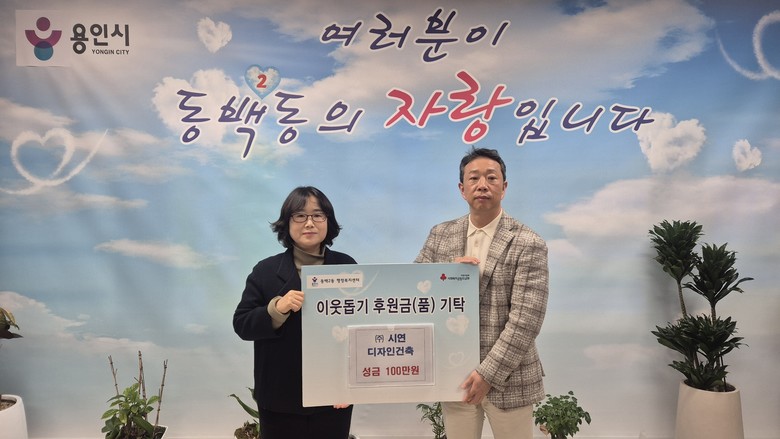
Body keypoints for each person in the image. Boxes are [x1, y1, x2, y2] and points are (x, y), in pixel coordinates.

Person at [415, 147, 549, 439]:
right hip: (455, 374)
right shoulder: (440, 234)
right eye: (474, 178)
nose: (483, 185)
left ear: (504, 187)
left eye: (491, 177)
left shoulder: (529, 242)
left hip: (510, 378)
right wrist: (446, 275)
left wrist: (488, 373)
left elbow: (527, 319)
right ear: (462, 189)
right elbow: (416, 292)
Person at [233, 186, 355, 439]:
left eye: (318, 215)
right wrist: (276, 309)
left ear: (328, 222)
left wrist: (349, 385)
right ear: (287, 223)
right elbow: (242, 324)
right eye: (300, 216)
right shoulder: (265, 271)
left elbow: (362, 328)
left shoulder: (347, 266)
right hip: (279, 398)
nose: (309, 223)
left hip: (333, 395)